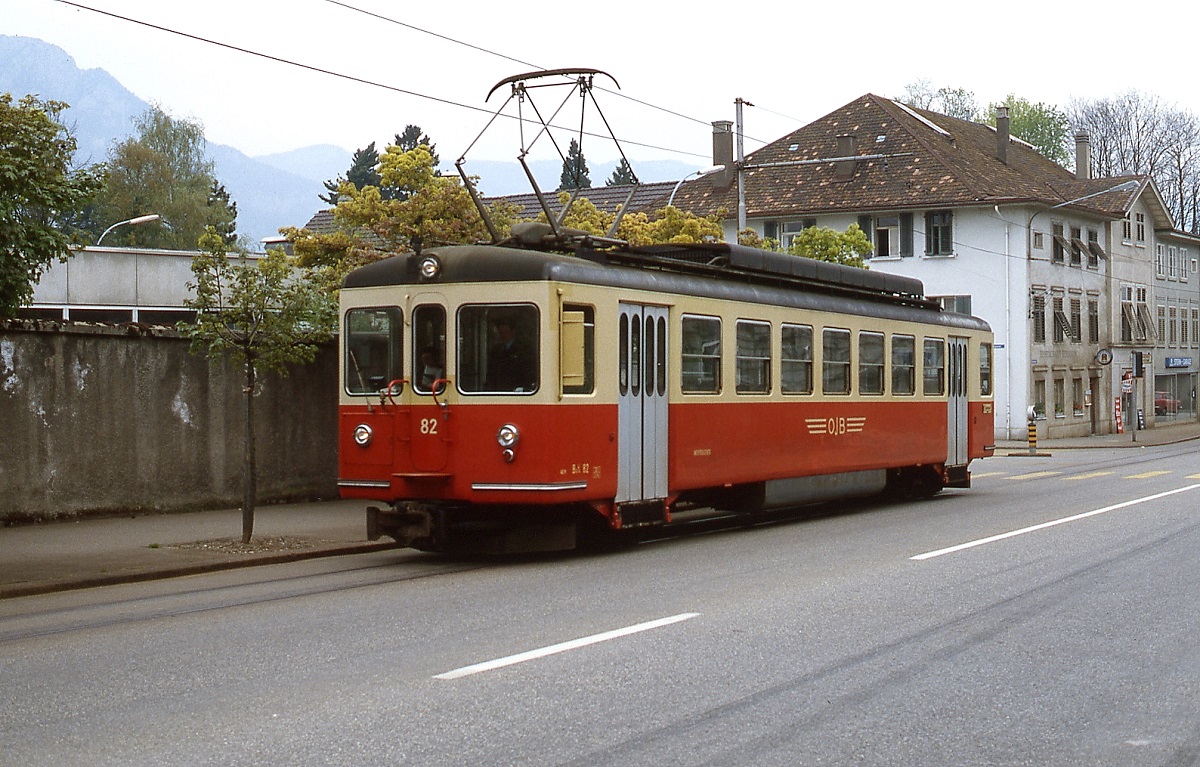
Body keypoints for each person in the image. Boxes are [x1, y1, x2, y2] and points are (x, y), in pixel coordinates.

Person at [485, 316, 536, 392]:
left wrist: (524, 388)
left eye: (506, 332)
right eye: (501, 333)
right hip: (498, 392)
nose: (503, 335)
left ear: (513, 331)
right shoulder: (496, 351)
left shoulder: (524, 350)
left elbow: (528, 372)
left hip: (516, 392)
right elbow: (491, 373)